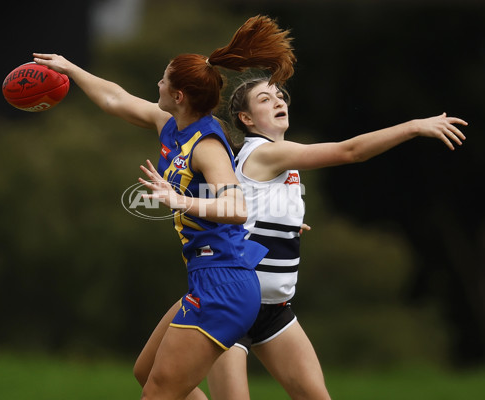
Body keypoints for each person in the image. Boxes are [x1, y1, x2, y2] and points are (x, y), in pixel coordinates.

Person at [34, 15, 297, 400]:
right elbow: (116, 99)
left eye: (163, 79)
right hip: (207, 276)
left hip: (225, 283)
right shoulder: (171, 124)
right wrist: (71, 69)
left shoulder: (207, 145)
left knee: (157, 394)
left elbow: (236, 207)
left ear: (179, 95)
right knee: (146, 373)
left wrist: (180, 200)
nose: (157, 83)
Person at [203, 76, 467, 400]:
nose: (278, 101)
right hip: (234, 301)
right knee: (166, 384)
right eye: (264, 99)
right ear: (246, 119)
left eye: (279, 96)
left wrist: (285, 223)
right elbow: (350, 152)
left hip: (273, 308)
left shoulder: (276, 157)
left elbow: (250, 210)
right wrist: (413, 127)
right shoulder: (267, 153)